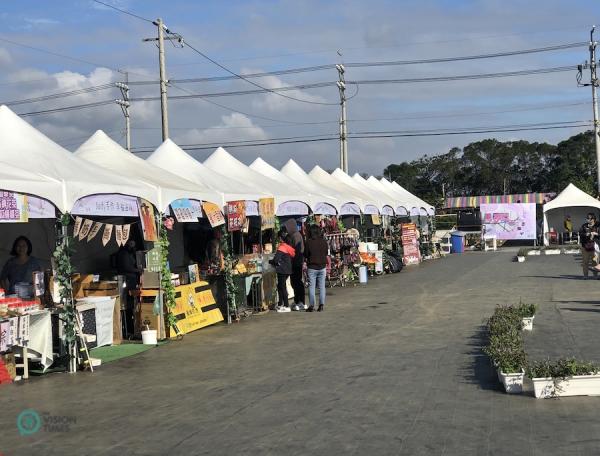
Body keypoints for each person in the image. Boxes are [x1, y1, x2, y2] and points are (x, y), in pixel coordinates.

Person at [116, 239, 143, 334]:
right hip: (127, 281)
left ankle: (132, 327)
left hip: (131, 280)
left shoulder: (130, 253)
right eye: (131, 244)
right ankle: (129, 329)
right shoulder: (123, 254)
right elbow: (126, 267)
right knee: (127, 305)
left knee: (131, 304)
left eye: (133, 244)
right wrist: (137, 270)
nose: (132, 246)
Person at [269, 230, 295, 313]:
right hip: (287, 269)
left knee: (282, 287)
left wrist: (270, 261)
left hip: (282, 270)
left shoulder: (282, 247)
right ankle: (280, 304)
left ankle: (286, 306)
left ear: (280, 238)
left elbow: (276, 259)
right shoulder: (288, 246)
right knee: (280, 286)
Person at [304, 224, 328, 312]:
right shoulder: (323, 241)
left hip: (312, 267)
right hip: (322, 266)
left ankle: (311, 306)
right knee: (322, 287)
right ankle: (321, 305)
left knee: (312, 286)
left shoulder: (309, 242)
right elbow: (326, 252)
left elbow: (306, 254)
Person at [284, 219, 306, 311]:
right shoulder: (295, 235)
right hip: (297, 262)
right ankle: (299, 301)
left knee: (296, 282)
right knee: (296, 282)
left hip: (296, 262)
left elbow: (296, 250)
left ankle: (300, 301)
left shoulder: (296, 236)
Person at [579, 213, 598, 279]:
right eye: (588, 218)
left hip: (594, 247)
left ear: (594, 219)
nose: (589, 220)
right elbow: (580, 234)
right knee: (585, 261)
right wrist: (585, 234)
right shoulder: (584, 226)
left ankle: (595, 275)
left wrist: (596, 233)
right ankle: (585, 275)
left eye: (591, 218)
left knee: (594, 261)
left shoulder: (597, 226)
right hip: (585, 246)